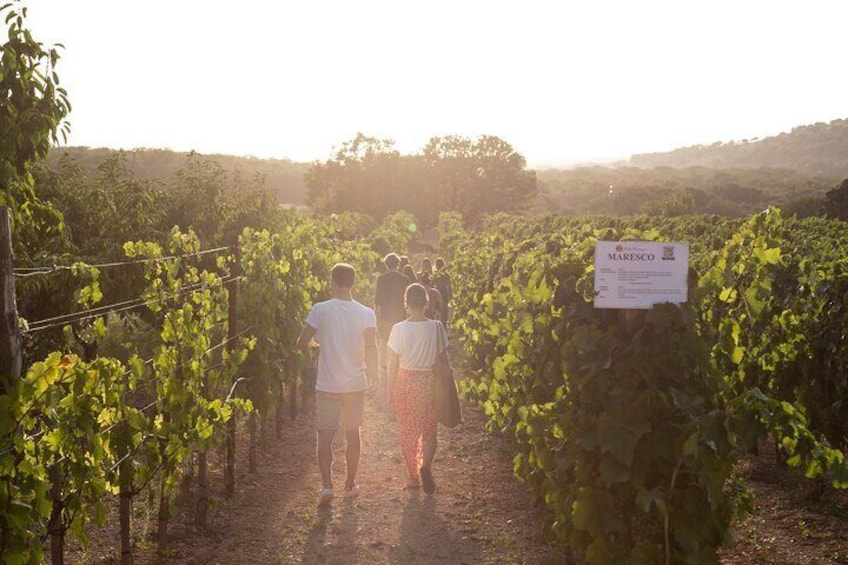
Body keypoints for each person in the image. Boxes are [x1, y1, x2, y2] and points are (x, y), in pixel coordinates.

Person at [297, 263, 377, 507]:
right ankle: (350, 485)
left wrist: (317, 346)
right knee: (353, 435)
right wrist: (375, 377)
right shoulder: (366, 313)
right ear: (353, 283)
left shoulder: (320, 310)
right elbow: (372, 347)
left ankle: (326, 486)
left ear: (333, 281)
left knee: (325, 437)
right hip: (354, 385)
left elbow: (301, 341)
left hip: (327, 384)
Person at [387, 283, 448, 494]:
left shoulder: (398, 329)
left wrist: (389, 388)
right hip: (429, 382)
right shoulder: (436, 327)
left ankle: (413, 476)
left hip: (406, 380)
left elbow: (393, 363)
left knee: (408, 430)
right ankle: (426, 467)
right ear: (426, 302)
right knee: (430, 430)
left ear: (406, 302)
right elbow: (442, 358)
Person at [373, 253, 409, 410]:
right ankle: (399, 366)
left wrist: (377, 317)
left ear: (386, 264)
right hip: (400, 316)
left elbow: (378, 300)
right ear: (398, 263)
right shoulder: (405, 279)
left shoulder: (381, 279)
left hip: (386, 316)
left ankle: (386, 368)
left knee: (385, 342)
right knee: (400, 344)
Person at [433, 257, 452, 326]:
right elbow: (432, 284)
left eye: (440, 264)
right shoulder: (435, 274)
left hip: (443, 294)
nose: (438, 266)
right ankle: (439, 324)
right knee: (439, 311)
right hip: (438, 293)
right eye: (437, 264)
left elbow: (449, 286)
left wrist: (450, 295)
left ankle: (443, 323)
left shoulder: (446, 275)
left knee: (444, 310)